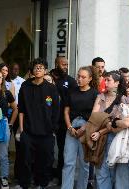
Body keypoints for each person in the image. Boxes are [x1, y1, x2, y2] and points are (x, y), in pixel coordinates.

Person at [18, 58, 60, 189]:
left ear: (45, 70)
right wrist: (21, 129)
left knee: (45, 160)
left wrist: (52, 129)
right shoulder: (25, 86)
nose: (38, 70)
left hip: (46, 132)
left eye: (41, 67)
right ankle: (24, 184)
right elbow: (21, 109)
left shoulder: (51, 88)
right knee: (25, 160)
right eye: (36, 67)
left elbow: (56, 110)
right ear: (32, 70)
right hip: (28, 131)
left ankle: (41, 184)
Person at [61, 66, 99, 189]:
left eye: (83, 77)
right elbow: (66, 111)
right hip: (71, 128)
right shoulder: (71, 91)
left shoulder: (94, 93)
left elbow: (95, 115)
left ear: (90, 79)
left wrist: (85, 128)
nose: (79, 79)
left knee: (84, 164)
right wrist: (69, 127)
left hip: (87, 129)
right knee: (68, 162)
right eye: (78, 76)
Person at [90, 71, 127, 189]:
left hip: (113, 137)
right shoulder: (100, 96)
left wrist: (102, 129)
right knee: (100, 169)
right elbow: (94, 117)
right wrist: (107, 122)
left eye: (108, 80)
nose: (105, 82)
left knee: (113, 170)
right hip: (99, 137)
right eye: (104, 80)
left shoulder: (123, 99)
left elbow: (116, 123)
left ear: (116, 83)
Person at [49, 56, 77, 185]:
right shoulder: (47, 77)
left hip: (62, 121)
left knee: (62, 150)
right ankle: (45, 177)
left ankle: (60, 178)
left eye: (66, 64)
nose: (65, 66)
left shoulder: (70, 81)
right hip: (46, 120)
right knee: (46, 149)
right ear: (56, 64)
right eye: (63, 64)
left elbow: (73, 101)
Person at [0, 70, 18, 189]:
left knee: (3, 154)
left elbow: (15, 109)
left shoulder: (6, 93)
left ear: (2, 79)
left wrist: (11, 123)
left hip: (3, 123)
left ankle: (4, 178)